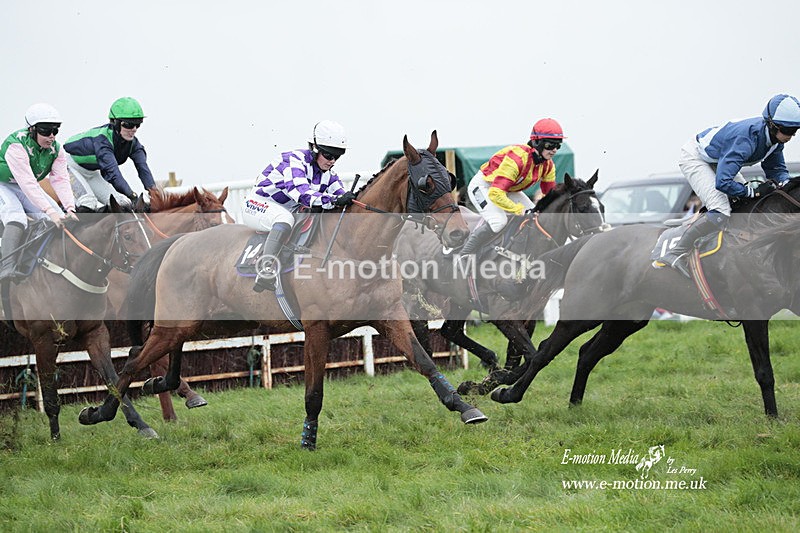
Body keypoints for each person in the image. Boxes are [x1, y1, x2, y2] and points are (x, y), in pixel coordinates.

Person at [656, 94, 800, 276]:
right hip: (696, 157)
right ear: (772, 124)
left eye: (795, 129)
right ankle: (675, 251)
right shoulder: (746, 140)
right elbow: (723, 183)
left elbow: (776, 170)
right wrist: (753, 191)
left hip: (719, 159)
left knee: (745, 205)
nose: (792, 135)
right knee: (721, 210)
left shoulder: (775, 140)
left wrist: (787, 185)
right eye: (788, 129)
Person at [242, 120, 355, 292]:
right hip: (259, 204)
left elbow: (340, 195)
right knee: (284, 218)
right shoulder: (295, 160)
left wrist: (348, 199)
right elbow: (302, 193)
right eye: (328, 155)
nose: (332, 161)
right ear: (315, 148)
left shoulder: (328, 174)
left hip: (288, 207)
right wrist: (332, 200)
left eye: (337, 156)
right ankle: (266, 269)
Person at [460, 118, 564, 258]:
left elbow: (550, 196)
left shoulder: (548, 165)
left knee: (535, 218)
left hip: (508, 190)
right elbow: (496, 193)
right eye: (550, 145)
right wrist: (519, 210)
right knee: (498, 222)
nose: (554, 150)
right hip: (484, 186)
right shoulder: (517, 159)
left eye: (558, 145)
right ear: (537, 142)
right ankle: (464, 254)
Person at [0, 103, 78, 281]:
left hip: (23, 185)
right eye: (45, 130)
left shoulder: (56, 150)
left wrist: (69, 208)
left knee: (58, 217)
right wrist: (49, 211)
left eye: (55, 130)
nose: (51, 136)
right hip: (3, 184)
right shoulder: (16, 146)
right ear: (31, 129)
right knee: (15, 215)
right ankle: (7, 267)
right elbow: (28, 183)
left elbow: (60, 180)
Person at [63, 97, 155, 209]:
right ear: (115, 123)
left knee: (122, 203)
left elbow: (143, 168)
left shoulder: (134, 144)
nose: (134, 129)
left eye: (138, 124)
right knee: (88, 202)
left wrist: (154, 193)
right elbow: (114, 174)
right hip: (70, 168)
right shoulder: (103, 141)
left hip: (91, 173)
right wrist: (132, 195)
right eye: (129, 125)